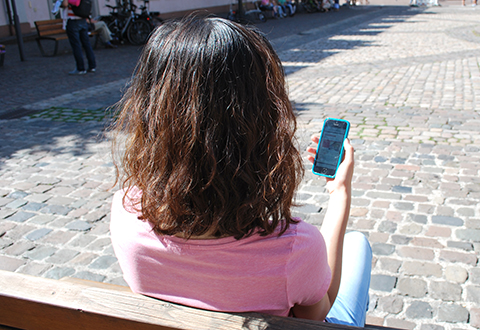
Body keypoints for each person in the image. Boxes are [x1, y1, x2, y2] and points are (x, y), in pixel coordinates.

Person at [109, 17, 372, 327]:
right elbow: (318, 315)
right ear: (259, 124)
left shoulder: (124, 213)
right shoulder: (296, 248)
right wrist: (340, 193)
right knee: (357, 245)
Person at [61, 0, 96, 75]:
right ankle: (92, 66)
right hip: (83, 20)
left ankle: (80, 68)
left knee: (76, 45)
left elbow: (64, 4)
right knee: (87, 44)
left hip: (73, 21)